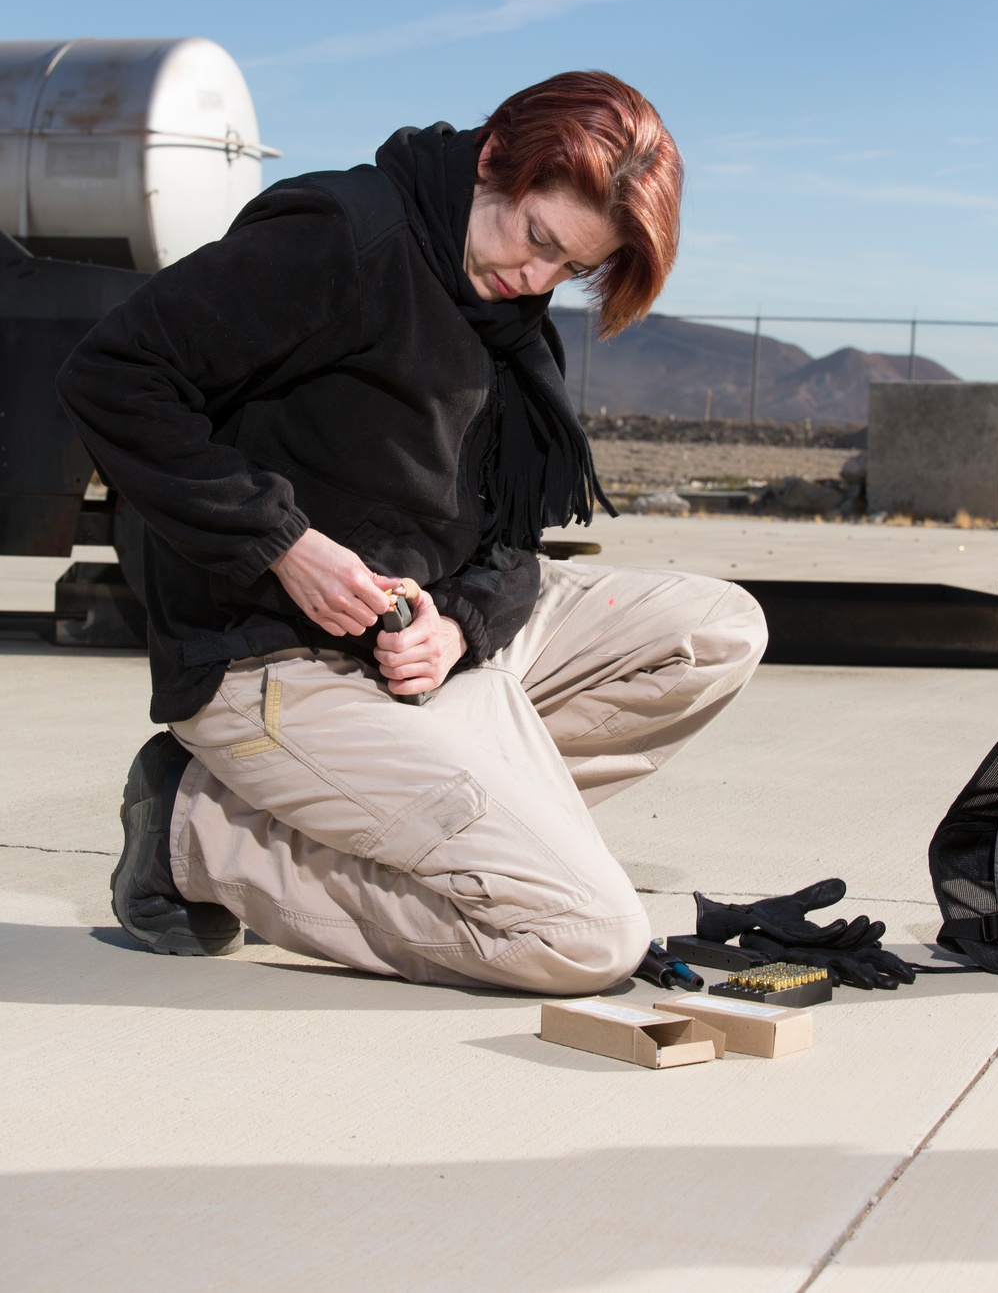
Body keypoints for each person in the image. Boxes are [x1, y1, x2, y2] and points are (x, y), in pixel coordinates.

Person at [57, 70, 767, 996]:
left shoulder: (509, 322)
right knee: (581, 940)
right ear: (492, 162)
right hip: (268, 654)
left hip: (414, 648)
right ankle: (200, 833)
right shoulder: (343, 238)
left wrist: (460, 624)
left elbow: (511, 540)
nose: (535, 278)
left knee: (716, 629)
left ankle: (396, 806)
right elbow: (113, 374)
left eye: (570, 268)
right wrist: (282, 542)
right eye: (537, 237)